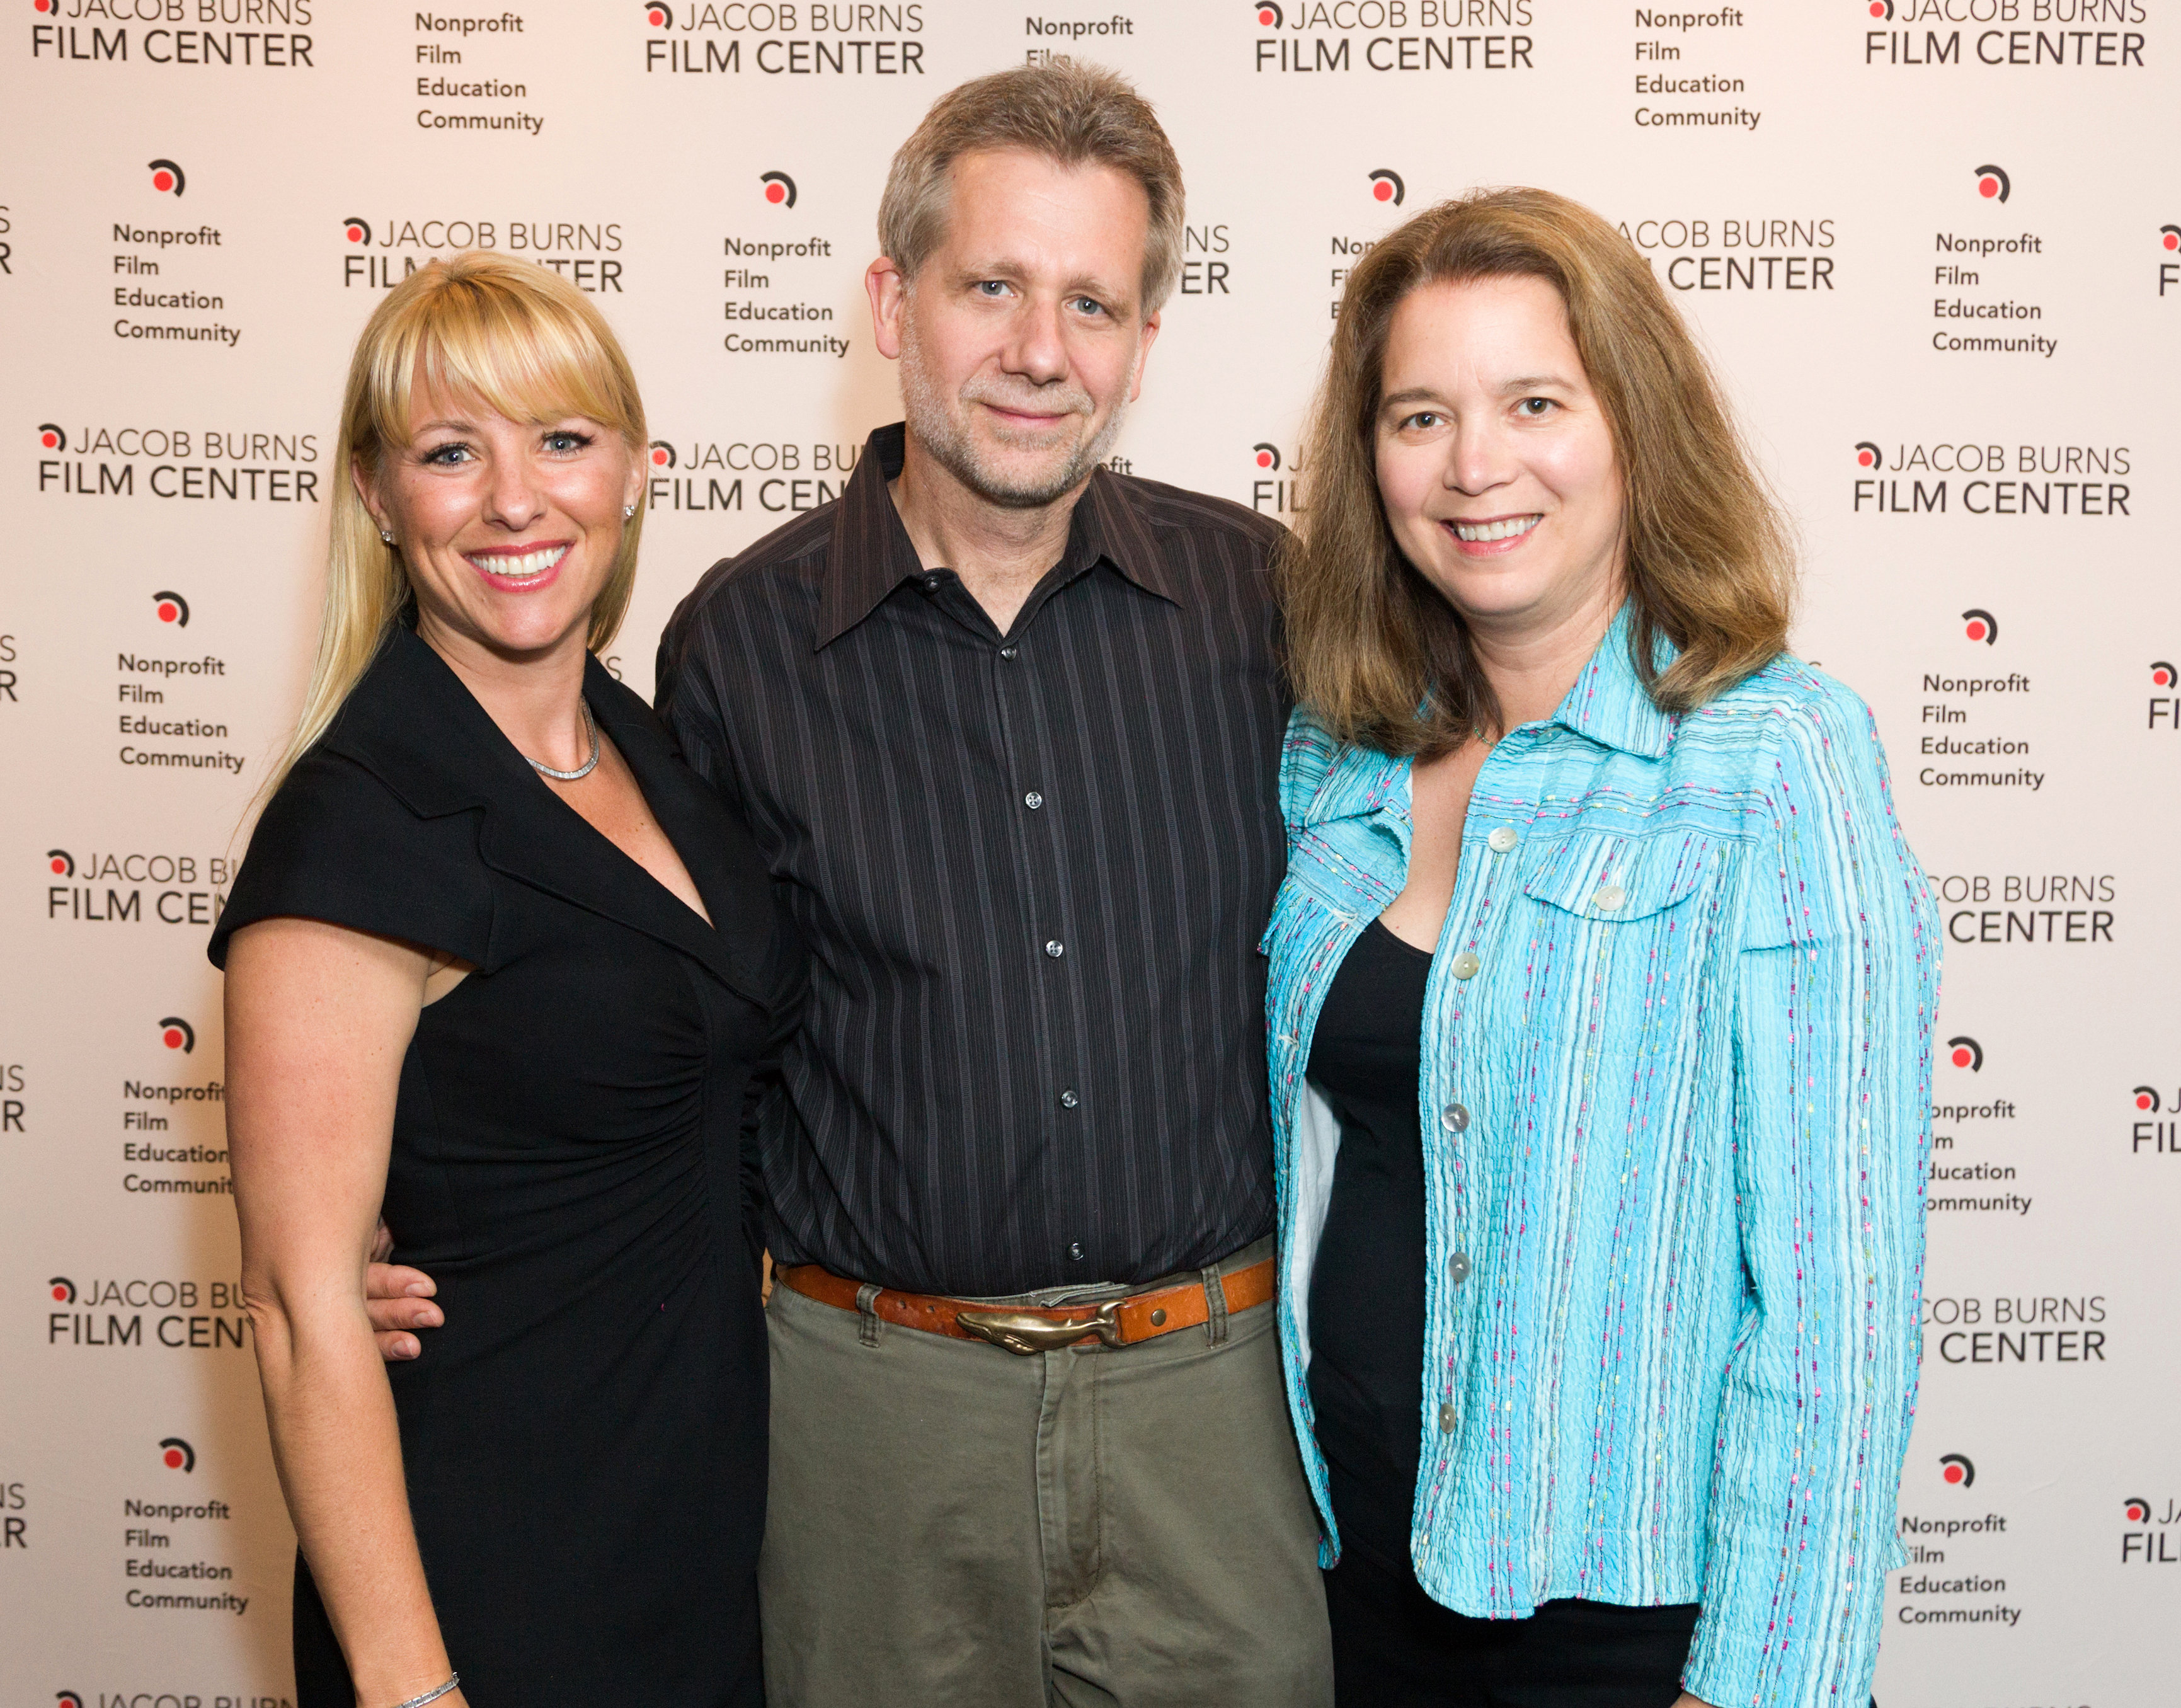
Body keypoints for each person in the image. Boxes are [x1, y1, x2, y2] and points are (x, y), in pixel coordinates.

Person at [370, 60, 1334, 1707]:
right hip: (870, 1423)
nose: (1041, 350)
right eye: (991, 287)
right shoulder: (737, 644)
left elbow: (1411, 934)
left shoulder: (1264, 603)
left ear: (1144, 345)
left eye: (1092, 302)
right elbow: (667, 1026)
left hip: (1211, 1410)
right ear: (893, 300)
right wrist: (427, 1222)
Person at [1262, 188, 1937, 1708]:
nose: (1475, 464)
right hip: (1336, 1573)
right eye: (1420, 414)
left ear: (1634, 425)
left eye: (1534, 403)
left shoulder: (1775, 759)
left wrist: (1763, 1683)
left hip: (1635, 1628)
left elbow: (1839, 1300)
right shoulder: (1337, 757)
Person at [216, 253, 799, 1707]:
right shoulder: (362, 819)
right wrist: (413, 1685)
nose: (516, 501)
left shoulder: (643, 739)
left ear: (631, 468)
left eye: (561, 440)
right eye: (450, 453)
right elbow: (301, 1308)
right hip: (493, 1572)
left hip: (699, 1543)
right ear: (377, 497)